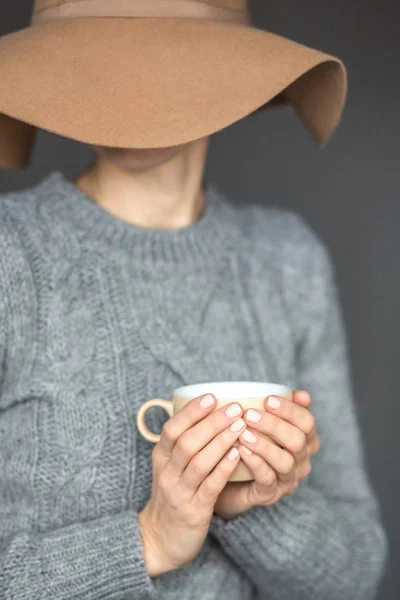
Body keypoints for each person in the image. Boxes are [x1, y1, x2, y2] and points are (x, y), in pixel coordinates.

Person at [0, 1, 388, 599]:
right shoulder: (11, 255)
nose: (130, 94)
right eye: (100, 63)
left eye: (161, 63)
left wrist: (247, 508)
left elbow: (355, 575)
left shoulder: (287, 259)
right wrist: (148, 539)